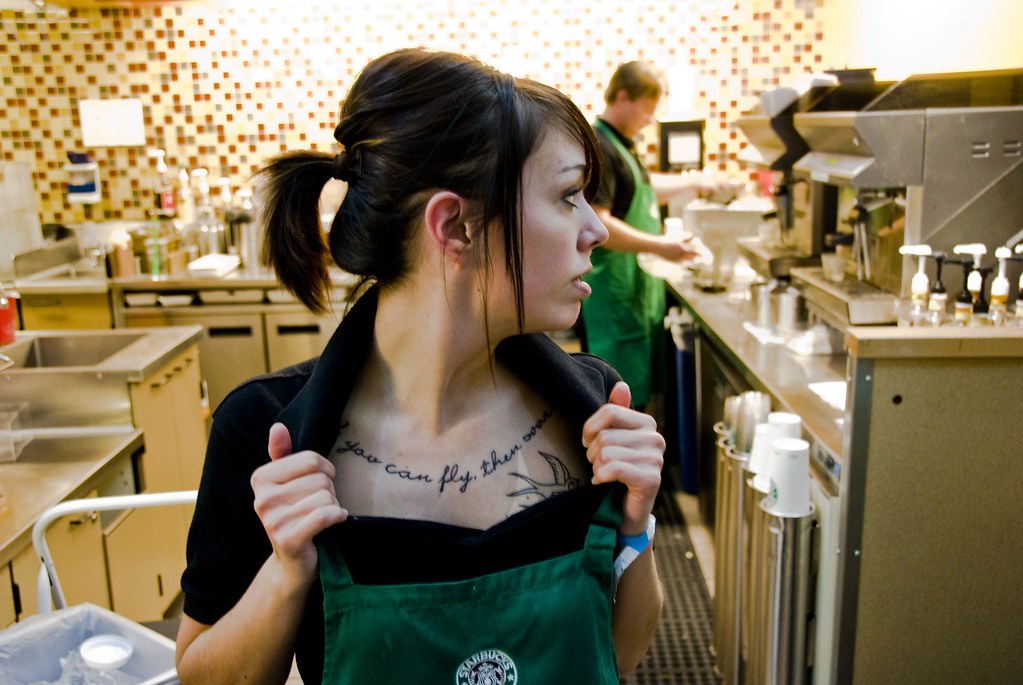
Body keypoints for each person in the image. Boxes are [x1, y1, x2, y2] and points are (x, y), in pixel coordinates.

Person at [175, 48, 666, 684]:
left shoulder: (595, 411)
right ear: (455, 226)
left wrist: (636, 525)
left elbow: (620, 656)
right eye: (568, 195)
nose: (595, 230)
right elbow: (201, 673)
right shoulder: (268, 436)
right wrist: (286, 571)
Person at [581, 60, 721, 411]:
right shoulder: (600, 145)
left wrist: (695, 181)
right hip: (613, 296)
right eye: (647, 109)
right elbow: (599, 221)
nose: (650, 119)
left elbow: (642, 187)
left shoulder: (622, 144)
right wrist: (662, 247)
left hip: (633, 292)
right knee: (615, 403)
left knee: (633, 399)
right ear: (622, 96)